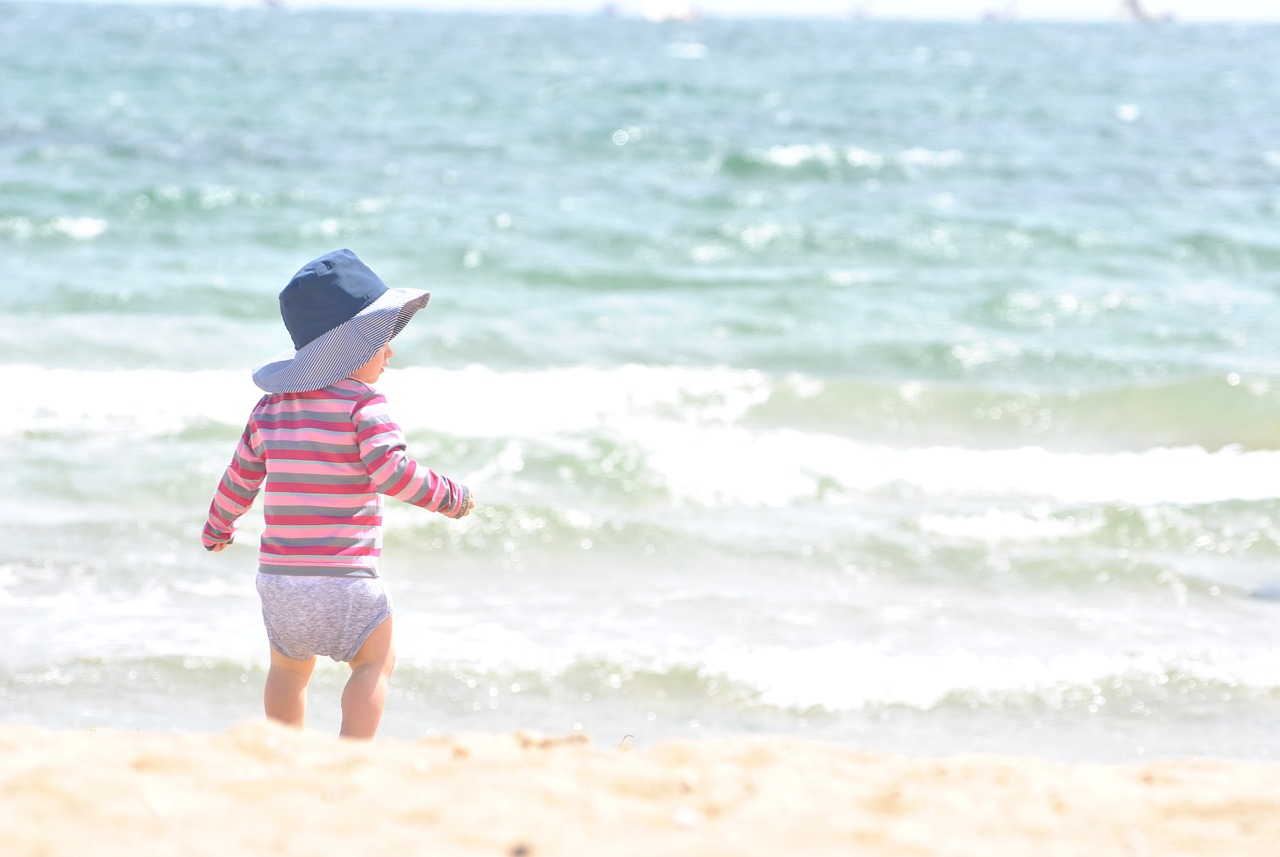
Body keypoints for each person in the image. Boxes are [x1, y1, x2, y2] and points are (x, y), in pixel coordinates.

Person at [201, 249, 474, 739]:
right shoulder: (364, 404)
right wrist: (450, 496)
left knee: (287, 671)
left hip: (280, 581)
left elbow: (240, 477)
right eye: (381, 341)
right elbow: (393, 473)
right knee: (375, 661)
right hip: (344, 579)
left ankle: (285, 750)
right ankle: (353, 752)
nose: (390, 352)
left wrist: (218, 527)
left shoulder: (270, 408)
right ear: (350, 347)